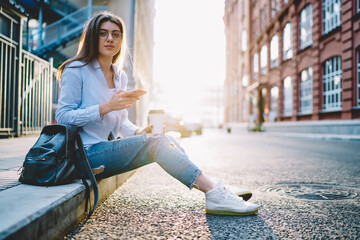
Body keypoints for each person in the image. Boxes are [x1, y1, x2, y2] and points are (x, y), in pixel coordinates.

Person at [56, 11, 259, 216]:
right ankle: (214, 192)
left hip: (106, 149)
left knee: (163, 137)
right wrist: (105, 107)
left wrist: (140, 132)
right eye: (103, 33)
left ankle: (213, 187)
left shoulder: (119, 75)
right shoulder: (76, 69)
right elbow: (63, 116)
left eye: (116, 34)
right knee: (156, 143)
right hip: (84, 155)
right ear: (92, 37)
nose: (110, 38)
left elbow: (122, 120)